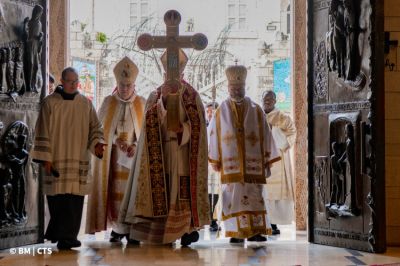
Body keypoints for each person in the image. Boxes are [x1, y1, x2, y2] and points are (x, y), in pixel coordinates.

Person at [118, 49, 209, 246]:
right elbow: (149, 121)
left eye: (176, 74)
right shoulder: (155, 94)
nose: (172, 78)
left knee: (180, 190)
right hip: (159, 151)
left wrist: (182, 130)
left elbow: (199, 127)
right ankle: (148, 229)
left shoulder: (192, 96)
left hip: (183, 153)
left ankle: (185, 230)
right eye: (169, 75)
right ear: (164, 74)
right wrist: (164, 102)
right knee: (159, 189)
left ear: (183, 74)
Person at [31, 67, 106, 250]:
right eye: (69, 81)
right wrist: (45, 158)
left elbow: (95, 127)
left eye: (75, 81)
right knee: (57, 199)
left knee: (74, 200)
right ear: (62, 81)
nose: (73, 84)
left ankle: (69, 237)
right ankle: (58, 234)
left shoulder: (85, 104)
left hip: (78, 156)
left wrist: (97, 143)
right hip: (56, 159)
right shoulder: (50, 103)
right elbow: (42, 130)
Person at [208, 64, 280, 243]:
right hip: (230, 165)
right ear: (228, 88)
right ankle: (236, 233)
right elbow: (213, 134)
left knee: (255, 197)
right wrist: (215, 159)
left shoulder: (256, 110)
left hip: (253, 166)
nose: (236, 91)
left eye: (239, 88)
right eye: (233, 88)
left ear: (244, 87)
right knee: (233, 198)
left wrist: (267, 160)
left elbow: (266, 134)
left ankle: (256, 232)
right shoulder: (221, 110)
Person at [86, 57, 146, 244]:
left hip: (134, 159)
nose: (125, 89)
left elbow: (146, 133)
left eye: (128, 85)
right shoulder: (108, 102)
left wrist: (135, 146)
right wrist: (114, 140)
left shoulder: (142, 103)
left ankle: (131, 229)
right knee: (113, 192)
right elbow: (97, 129)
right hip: (112, 159)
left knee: (133, 193)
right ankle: (118, 229)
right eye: (122, 85)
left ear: (134, 85)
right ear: (117, 83)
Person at [262, 90, 296, 235]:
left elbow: (292, 134)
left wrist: (274, 132)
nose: (267, 101)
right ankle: (264, 222)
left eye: (270, 99)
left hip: (278, 161)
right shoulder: (257, 115)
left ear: (275, 101)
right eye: (265, 99)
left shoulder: (283, 117)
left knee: (275, 195)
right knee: (263, 193)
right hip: (261, 159)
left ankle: (274, 223)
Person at [205, 102, 220, 232]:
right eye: (208, 111)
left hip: (215, 164)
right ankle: (206, 217)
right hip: (204, 164)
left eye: (213, 111)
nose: (210, 114)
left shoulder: (220, 126)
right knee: (206, 191)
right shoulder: (203, 125)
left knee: (215, 191)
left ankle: (214, 220)